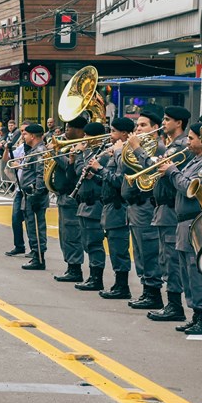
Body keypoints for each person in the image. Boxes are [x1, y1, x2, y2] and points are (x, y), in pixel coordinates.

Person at [158, 122, 202, 334]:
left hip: (197, 220)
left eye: (191, 138)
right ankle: (196, 314)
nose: (187, 142)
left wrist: (172, 171)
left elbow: (189, 188)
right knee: (187, 272)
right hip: (184, 221)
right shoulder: (194, 161)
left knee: (197, 271)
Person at [144, 106, 190, 323]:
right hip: (163, 209)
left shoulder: (181, 147)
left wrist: (136, 150)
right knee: (165, 259)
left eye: (167, 120)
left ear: (178, 123)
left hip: (172, 209)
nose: (163, 123)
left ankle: (175, 305)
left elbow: (153, 169)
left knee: (171, 260)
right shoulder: (172, 145)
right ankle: (171, 303)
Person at [125, 111, 166, 309]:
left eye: (143, 125)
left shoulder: (157, 148)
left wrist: (134, 149)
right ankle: (146, 290)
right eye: (137, 125)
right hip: (134, 206)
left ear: (155, 128)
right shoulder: (136, 147)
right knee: (140, 252)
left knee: (149, 251)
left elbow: (150, 170)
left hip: (146, 205)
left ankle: (153, 292)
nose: (138, 129)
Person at [90, 117, 133, 299]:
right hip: (109, 207)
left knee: (119, 248)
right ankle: (118, 283)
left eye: (114, 131)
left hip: (119, 207)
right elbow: (110, 180)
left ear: (124, 134)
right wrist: (95, 175)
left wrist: (100, 168)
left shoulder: (124, 152)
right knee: (114, 248)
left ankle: (122, 286)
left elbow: (119, 180)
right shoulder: (115, 151)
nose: (111, 135)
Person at [73, 122, 108, 291]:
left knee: (94, 242)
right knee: (87, 242)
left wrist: (79, 155)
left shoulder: (103, 154)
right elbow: (79, 171)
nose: (85, 139)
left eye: (88, 136)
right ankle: (92, 275)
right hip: (84, 203)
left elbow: (84, 171)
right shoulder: (90, 153)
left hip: (95, 204)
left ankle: (96, 277)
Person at [52, 117, 87, 282]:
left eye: (69, 128)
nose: (66, 130)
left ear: (79, 130)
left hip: (72, 196)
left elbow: (69, 166)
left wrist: (55, 153)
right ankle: (70, 266)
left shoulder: (82, 147)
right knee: (64, 234)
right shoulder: (68, 145)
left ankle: (75, 268)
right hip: (63, 195)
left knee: (72, 233)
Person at [19, 124, 49, 270]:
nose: (23, 137)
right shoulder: (32, 150)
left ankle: (39, 257)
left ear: (33, 136)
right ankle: (35, 254)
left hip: (35, 195)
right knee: (31, 227)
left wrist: (38, 193)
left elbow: (40, 174)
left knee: (37, 227)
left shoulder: (40, 151)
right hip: (29, 194)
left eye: (25, 134)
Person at [4, 122, 29, 257]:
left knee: (31, 221)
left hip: (30, 189)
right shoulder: (21, 147)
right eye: (21, 132)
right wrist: (7, 149)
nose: (23, 135)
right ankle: (19, 245)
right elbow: (6, 159)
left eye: (25, 132)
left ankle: (36, 251)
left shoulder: (37, 149)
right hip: (20, 189)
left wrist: (19, 165)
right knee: (15, 219)